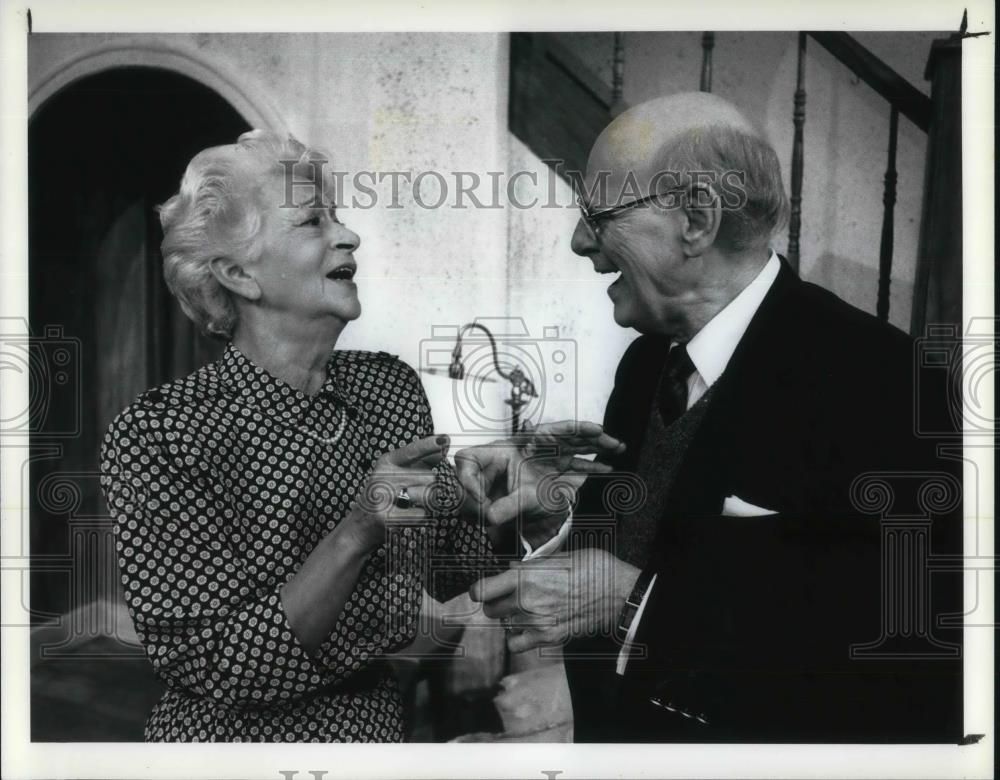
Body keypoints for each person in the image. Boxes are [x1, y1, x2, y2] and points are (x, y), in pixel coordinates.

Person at [464, 93, 963, 742]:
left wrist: (642, 602)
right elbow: (627, 550)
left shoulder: (885, 378)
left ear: (696, 219)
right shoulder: (645, 366)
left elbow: (908, 641)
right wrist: (554, 509)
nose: (580, 240)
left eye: (598, 214)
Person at [99, 130, 622, 742]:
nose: (349, 236)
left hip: (375, 727)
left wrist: (510, 511)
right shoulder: (158, 433)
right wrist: (358, 530)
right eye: (311, 222)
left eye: (338, 217)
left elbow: (445, 569)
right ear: (239, 274)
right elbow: (218, 664)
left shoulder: (387, 387)